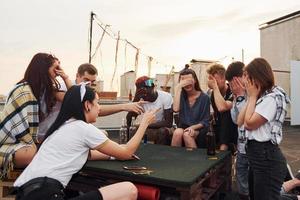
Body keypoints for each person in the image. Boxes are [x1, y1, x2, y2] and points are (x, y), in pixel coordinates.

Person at [14, 84, 158, 200]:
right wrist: (144, 123)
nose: (99, 107)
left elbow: (86, 154)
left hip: (25, 193)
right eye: (97, 102)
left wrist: (112, 155)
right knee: (129, 190)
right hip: (47, 194)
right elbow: (126, 152)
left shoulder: (61, 128)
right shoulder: (82, 128)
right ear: (88, 105)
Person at [0, 53, 71, 179]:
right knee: (33, 153)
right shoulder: (23, 90)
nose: (58, 71)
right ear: (44, 69)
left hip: (25, 143)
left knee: (52, 149)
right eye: (55, 67)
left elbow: (74, 100)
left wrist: (65, 77)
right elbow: (18, 126)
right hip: (7, 142)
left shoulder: (45, 90)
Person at [237, 57, 290, 200]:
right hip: (257, 157)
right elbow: (239, 121)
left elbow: (249, 124)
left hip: (267, 158)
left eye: (248, 77)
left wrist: (253, 96)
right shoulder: (259, 98)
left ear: (258, 77)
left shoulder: (272, 99)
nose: (245, 82)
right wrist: (251, 97)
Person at [60, 63, 145, 116]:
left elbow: (95, 110)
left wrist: (126, 106)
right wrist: (124, 106)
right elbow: (96, 110)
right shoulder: (63, 87)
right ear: (77, 76)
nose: (89, 84)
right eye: (86, 80)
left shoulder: (88, 91)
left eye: (92, 81)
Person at [225, 61, 249, 200]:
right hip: (241, 147)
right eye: (231, 82)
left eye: (234, 81)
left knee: (255, 184)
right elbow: (236, 120)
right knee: (241, 184)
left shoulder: (255, 93)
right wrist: (237, 97)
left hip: (254, 147)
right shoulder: (237, 94)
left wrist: (240, 97)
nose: (233, 85)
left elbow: (246, 119)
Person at [126, 76, 173, 145]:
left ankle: (161, 154)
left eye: (147, 92)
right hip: (147, 126)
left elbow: (168, 123)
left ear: (153, 88)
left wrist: (145, 124)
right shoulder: (140, 98)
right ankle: (129, 151)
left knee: (162, 131)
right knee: (131, 130)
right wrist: (136, 99)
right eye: (141, 92)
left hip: (164, 127)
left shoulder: (166, 96)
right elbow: (129, 120)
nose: (145, 96)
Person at [171, 65, 210, 148]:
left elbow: (205, 121)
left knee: (187, 135)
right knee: (177, 132)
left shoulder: (204, 97)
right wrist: (178, 88)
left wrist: (192, 127)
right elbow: (175, 109)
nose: (187, 83)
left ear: (195, 80)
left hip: (198, 128)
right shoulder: (180, 95)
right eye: (184, 81)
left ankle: (195, 160)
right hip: (183, 126)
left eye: (189, 80)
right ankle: (174, 159)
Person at [207, 63, 238, 151]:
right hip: (221, 127)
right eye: (211, 80)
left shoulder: (233, 91)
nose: (213, 83)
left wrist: (215, 87)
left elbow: (222, 107)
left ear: (224, 78)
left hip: (235, 125)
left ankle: (223, 147)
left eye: (215, 80)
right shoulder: (212, 94)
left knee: (226, 113)